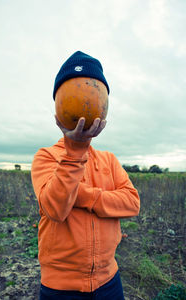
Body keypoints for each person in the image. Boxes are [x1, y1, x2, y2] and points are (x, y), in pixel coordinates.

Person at [31, 51, 140, 300]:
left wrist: (81, 196)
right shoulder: (46, 156)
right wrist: (75, 151)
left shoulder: (109, 159)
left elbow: (132, 203)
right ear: (58, 112)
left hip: (109, 281)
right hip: (60, 288)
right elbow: (56, 209)